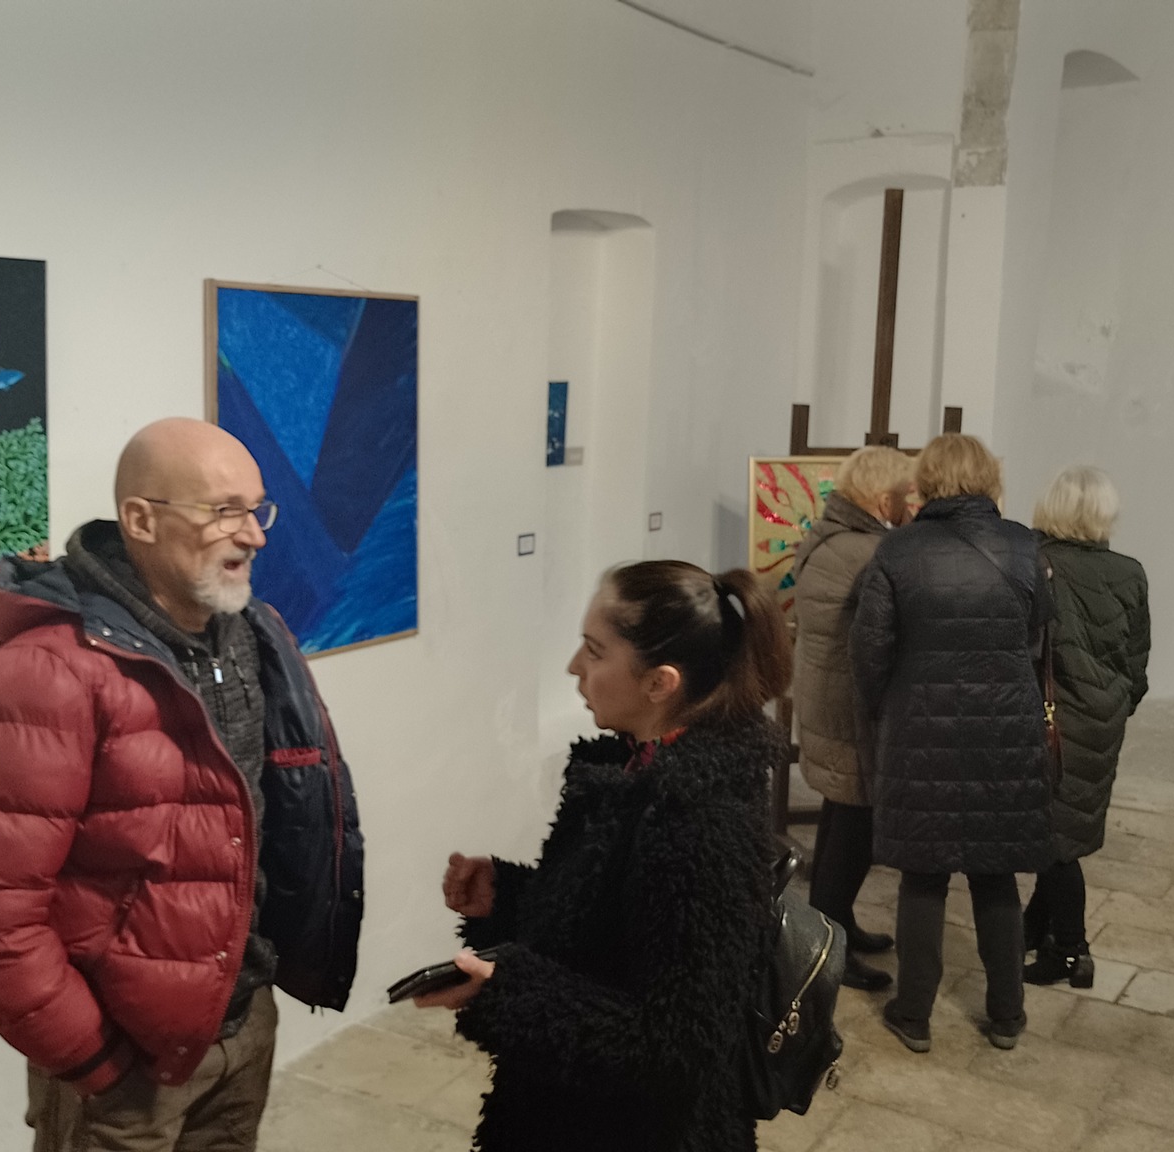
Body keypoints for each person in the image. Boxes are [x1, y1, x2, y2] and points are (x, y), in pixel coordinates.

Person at [0, 418, 364, 1152]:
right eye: (223, 510)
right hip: (124, 1062)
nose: (253, 534)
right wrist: (94, 1061)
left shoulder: (255, 634)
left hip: (242, 1022)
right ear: (141, 520)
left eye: (257, 509)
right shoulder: (47, 675)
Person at [420, 561, 790, 1152]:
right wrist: (508, 896)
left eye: (595, 651)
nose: (574, 666)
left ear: (659, 683)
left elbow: (676, 1051)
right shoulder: (632, 773)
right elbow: (612, 932)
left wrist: (509, 994)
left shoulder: (701, 821)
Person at [851, 433, 1053, 1053]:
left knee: (924, 876)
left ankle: (913, 1013)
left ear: (928, 479)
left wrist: (888, 707)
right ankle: (1007, 1014)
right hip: (1006, 729)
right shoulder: (1024, 545)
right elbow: (1038, 633)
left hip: (922, 729)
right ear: (989, 477)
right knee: (995, 876)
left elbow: (870, 651)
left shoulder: (897, 549)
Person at [1021, 466, 1151, 989]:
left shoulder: (1037, 565)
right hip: (1102, 722)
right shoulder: (1130, 572)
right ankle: (1034, 927)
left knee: (1055, 845)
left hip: (1049, 722)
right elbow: (1136, 661)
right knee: (1061, 833)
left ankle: (1072, 952)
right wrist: (1114, 709)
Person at [791, 446, 913, 991]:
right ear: (882, 499)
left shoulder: (826, 536)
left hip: (826, 700)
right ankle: (828, 951)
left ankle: (834, 923)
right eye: (904, 494)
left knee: (841, 815)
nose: (910, 504)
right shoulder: (870, 552)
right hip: (850, 709)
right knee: (854, 828)